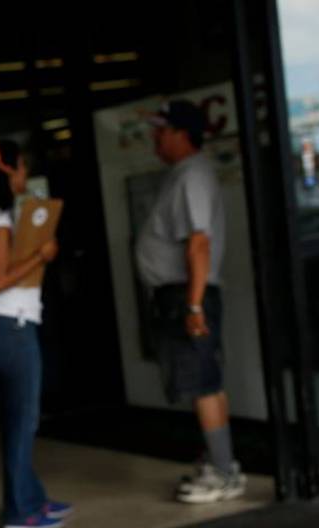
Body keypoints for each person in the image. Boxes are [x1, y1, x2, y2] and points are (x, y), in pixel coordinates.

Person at [0, 139, 71, 528]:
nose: (25, 175)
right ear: (8, 171)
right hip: (12, 328)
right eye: (22, 167)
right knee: (23, 420)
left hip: (6, 328)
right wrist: (41, 255)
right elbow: (0, 279)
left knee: (20, 419)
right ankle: (21, 510)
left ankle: (32, 498)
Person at [136, 99, 246, 503]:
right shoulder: (184, 175)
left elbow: (198, 243)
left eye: (162, 131)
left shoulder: (192, 177)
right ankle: (218, 462)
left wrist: (194, 305)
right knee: (204, 381)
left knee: (203, 384)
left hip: (188, 293)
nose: (156, 138)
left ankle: (222, 471)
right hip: (185, 292)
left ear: (182, 134)